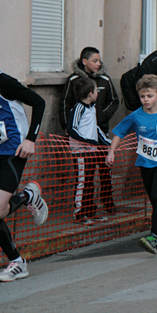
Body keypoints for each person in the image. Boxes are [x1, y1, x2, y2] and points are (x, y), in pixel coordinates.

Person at [0, 35, 48, 282]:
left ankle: (27, 196)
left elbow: (39, 102)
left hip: (14, 153)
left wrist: (30, 139)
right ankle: (17, 262)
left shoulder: (1, 81)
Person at [106, 74, 157, 254]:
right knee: (154, 199)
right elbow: (119, 132)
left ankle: (154, 237)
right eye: (142, 96)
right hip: (144, 162)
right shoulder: (136, 116)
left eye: (149, 96)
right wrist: (111, 151)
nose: (146, 99)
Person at [59, 46, 119, 214]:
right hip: (82, 140)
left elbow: (114, 101)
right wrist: (67, 127)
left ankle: (108, 203)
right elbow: (64, 104)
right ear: (84, 61)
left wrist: (101, 117)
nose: (98, 63)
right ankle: (86, 208)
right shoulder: (73, 80)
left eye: (99, 60)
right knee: (86, 174)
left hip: (100, 132)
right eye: (95, 60)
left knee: (105, 170)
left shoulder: (105, 80)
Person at [67, 77, 112, 225]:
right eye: (96, 90)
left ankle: (91, 211)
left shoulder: (92, 108)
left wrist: (107, 142)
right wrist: (88, 141)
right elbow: (71, 129)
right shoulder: (78, 108)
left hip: (92, 151)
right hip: (81, 152)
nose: (98, 92)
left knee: (90, 181)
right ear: (90, 93)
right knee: (82, 182)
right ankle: (79, 213)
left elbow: (95, 128)